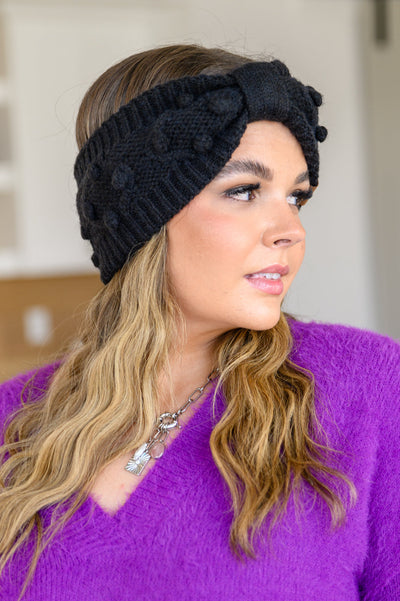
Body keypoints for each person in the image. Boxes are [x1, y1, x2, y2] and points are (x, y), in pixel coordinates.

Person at [0, 43, 399, 601]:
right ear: (145, 219)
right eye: (244, 191)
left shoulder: (367, 384)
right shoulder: (13, 423)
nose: (291, 230)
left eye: (296, 197)